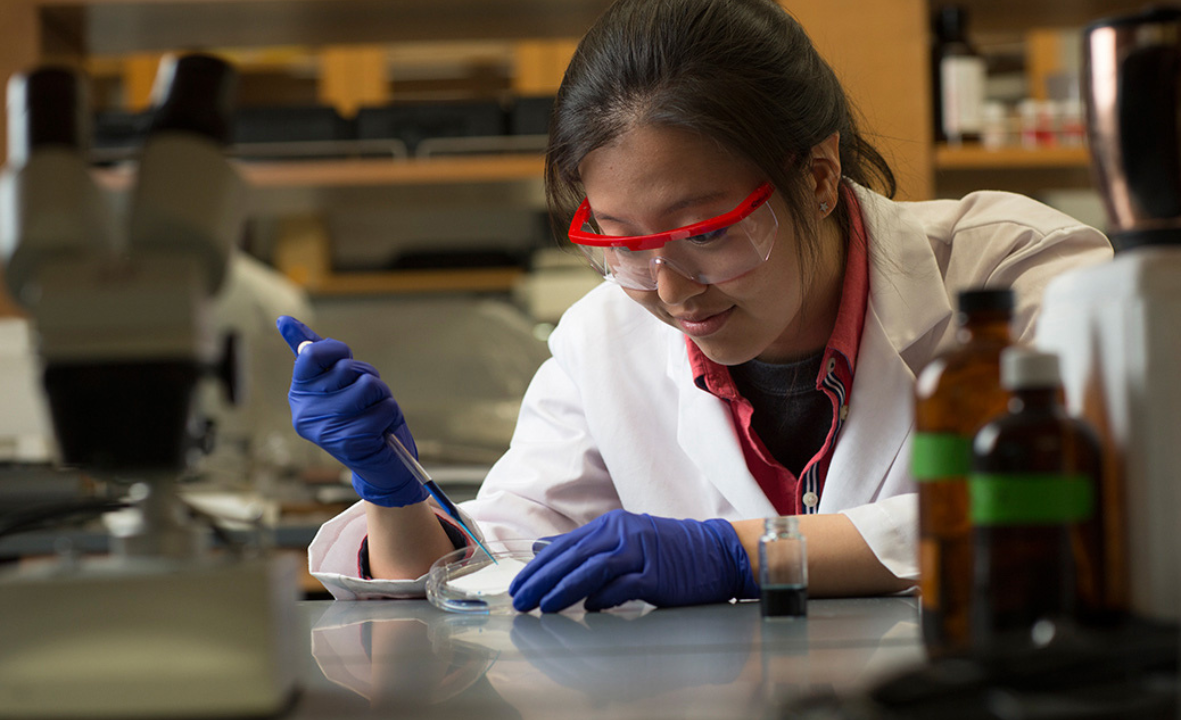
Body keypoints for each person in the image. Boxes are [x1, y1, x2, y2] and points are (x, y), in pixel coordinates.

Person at [286, 0, 1112, 611]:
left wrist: (750, 555)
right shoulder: (601, 339)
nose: (670, 289)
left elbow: (1095, 492)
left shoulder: (1016, 265)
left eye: (706, 234)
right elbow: (483, 572)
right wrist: (395, 495)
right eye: (621, 242)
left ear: (819, 177)